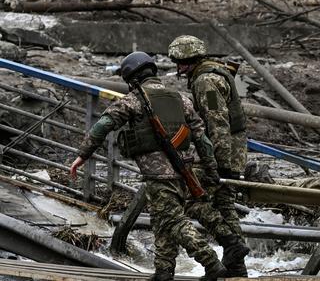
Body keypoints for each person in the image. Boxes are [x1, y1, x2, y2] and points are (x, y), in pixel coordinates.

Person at [69, 52, 227, 281]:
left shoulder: (134, 99)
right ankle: (164, 271)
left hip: (158, 174)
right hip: (184, 171)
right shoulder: (180, 98)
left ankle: (211, 262)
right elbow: (202, 137)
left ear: (132, 78)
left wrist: (83, 155)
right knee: (162, 221)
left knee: (172, 221)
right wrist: (211, 169)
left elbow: (103, 124)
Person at [168, 35, 249, 277]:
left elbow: (217, 120)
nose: (178, 67)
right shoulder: (215, 72)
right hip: (232, 151)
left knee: (190, 199)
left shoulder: (205, 82)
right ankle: (236, 265)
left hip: (222, 153)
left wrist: (220, 165)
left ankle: (230, 244)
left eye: (180, 62)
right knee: (224, 204)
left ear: (190, 61)